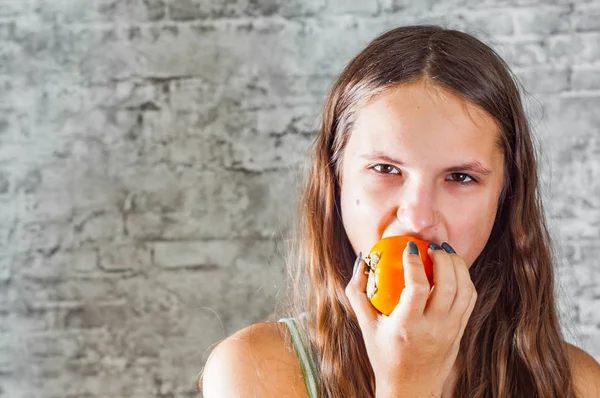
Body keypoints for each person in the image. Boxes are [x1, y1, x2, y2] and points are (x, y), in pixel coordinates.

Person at [200, 25, 600, 397]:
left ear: (505, 198)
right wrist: (407, 384)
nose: (418, 218)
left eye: (460, 177)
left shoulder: (576, 383)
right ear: (335, 181)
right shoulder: (255, 369)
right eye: (386, 169)